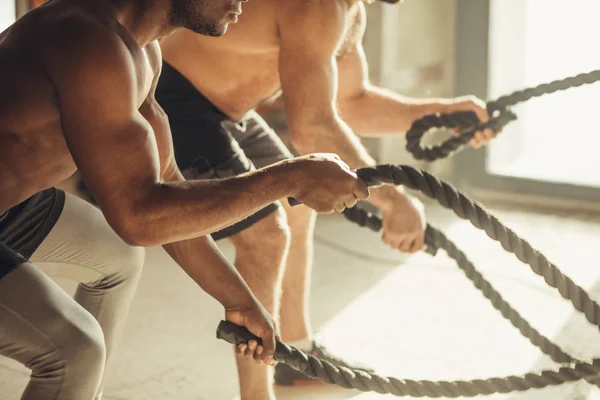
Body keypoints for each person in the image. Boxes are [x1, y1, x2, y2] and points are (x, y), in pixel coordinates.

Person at [0, 0, 369, 399]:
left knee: (116, 260)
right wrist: (289, 177)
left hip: (14, 208)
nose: (242, 2)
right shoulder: (89, 42)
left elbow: (166, 187)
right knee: (75, 350)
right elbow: (138, 217)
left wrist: (239, 300)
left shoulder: (142, 50)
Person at [155, 0, 499, 396]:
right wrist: (393, 200)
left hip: (228, 112)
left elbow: (352, 103)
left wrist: (445, 113)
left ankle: (297, 354)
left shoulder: (350, 11)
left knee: (296, 207)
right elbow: (313, 128)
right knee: (267, 234)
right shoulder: (319, 6)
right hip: (173, 97)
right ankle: (256, 396)